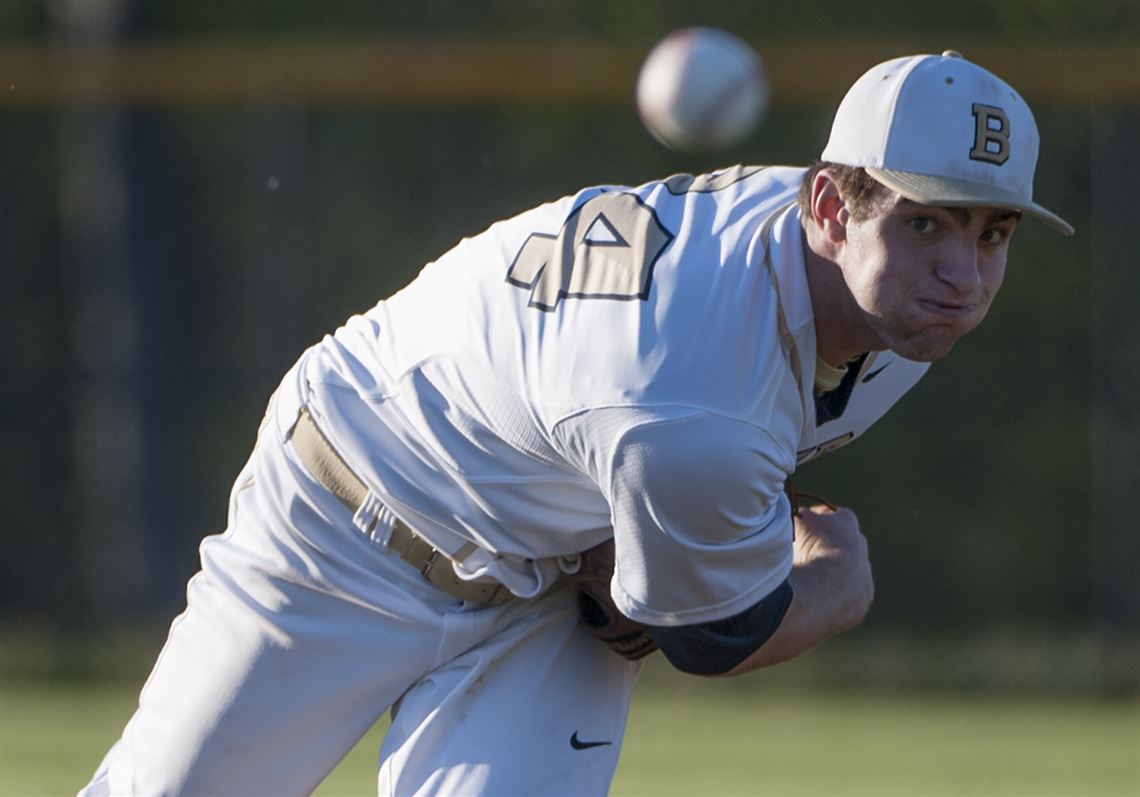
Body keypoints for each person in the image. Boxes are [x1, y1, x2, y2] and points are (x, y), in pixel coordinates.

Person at [81, 50, 1072, 796]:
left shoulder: (888, 299)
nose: (964, 270)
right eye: (925, 220)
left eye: (993, 232)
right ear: (826, 205)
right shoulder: (689, 393)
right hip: (347, 518)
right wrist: (838, 581)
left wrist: (654, 538)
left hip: (551, 587)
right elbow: (715, 633)